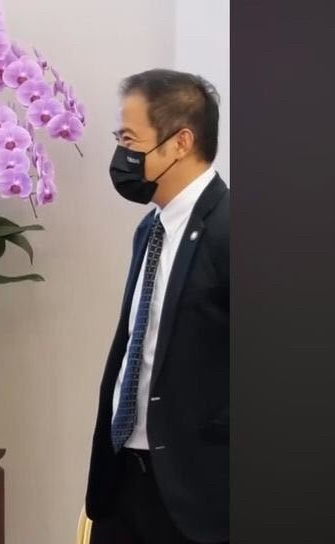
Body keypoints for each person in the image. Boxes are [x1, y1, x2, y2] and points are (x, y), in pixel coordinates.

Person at [86, 69, 229, 544]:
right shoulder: (150, 229)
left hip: (198, 494)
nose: (121, 153)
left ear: (180, 142)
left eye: (129, 139)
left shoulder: (231, 229)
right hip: (125, 477)